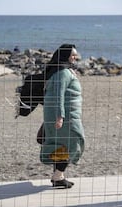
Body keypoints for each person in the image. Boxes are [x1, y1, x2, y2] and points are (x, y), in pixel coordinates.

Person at [40, 44, 85, 189]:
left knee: (61, 145)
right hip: (66, 117)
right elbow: (59, 95)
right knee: (74, 142)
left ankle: (59, 177)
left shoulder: (63, 71)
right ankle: (58, 175)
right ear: (65, 56)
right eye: (73, 55)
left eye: (75, 55)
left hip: (68, 115)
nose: (75, 57)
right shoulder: (63, 73)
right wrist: (60, 116)